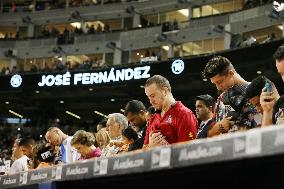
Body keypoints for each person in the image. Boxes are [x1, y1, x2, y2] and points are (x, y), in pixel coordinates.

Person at [202, 56, 258, 137]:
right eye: (215, 84)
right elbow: (210, 135)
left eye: (220, 81)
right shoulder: (220, 99)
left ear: (231, 73)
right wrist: (220, 127)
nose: (218, 87)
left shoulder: (257, 91)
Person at [143, 75, 198, 148]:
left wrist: (165, 148)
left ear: (164, 91)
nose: (151, 101)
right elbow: (144, 149)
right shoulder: (153, 118)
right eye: (149, 97)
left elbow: (188, 151)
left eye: (153, 96)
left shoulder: (184, 114)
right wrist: (150, 147)